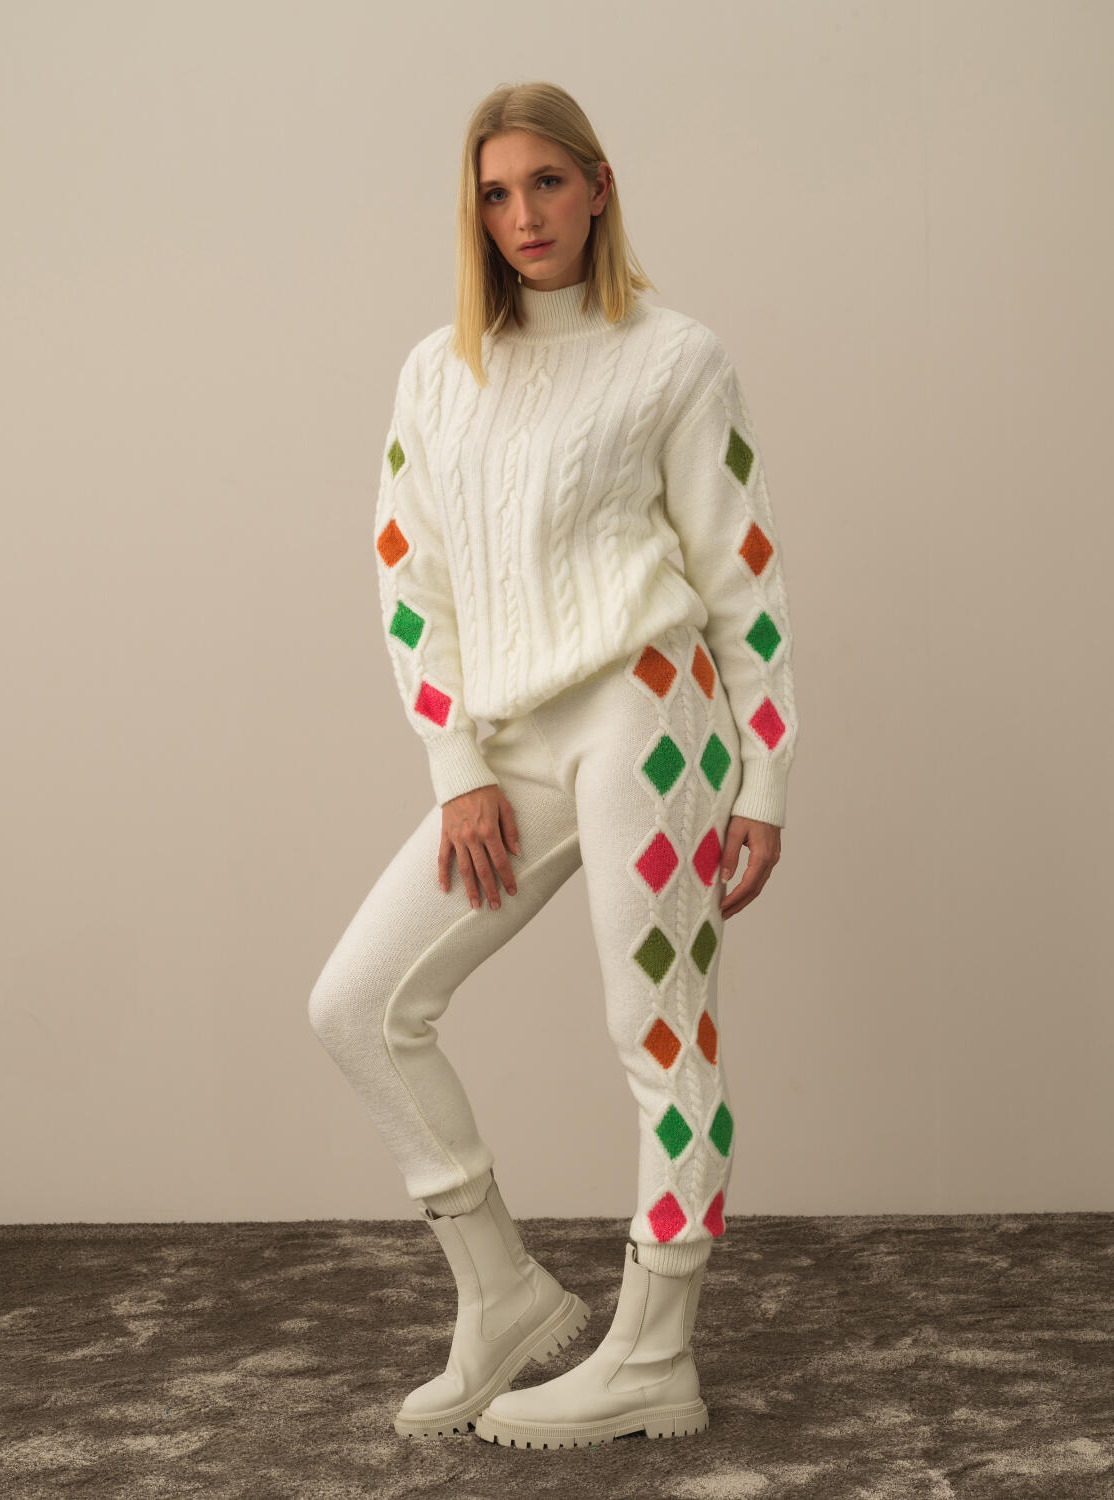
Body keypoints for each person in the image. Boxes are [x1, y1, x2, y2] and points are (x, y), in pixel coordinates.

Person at [308, 80, 799, 1450]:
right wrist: (454, 763)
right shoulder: (437, 371)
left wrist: (763, 780)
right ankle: (504, 1295)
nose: (522, 215)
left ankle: (655, 1350)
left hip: (653, 710)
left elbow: (742, 574)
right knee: (359, 1005)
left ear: (597, 187)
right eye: (494, 193)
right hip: (509, 741)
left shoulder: (675, 357)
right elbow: (409, 579)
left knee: (661, 1031)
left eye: (545, 182)